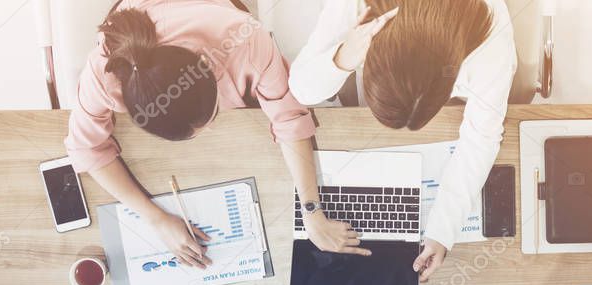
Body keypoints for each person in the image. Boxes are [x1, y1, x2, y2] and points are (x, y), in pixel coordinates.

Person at [65, 0, 371, 269]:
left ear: (212, 78)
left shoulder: (246, 38)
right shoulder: (104, 69)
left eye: (208, 119)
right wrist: (153, 217)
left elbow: (289, 117)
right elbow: (86, 149)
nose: (209, 130)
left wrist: (312, 210)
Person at [288, 0, 517, 282]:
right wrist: (344, 57)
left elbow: (481, 137)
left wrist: (443, 231)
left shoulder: (492, 44)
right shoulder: (357, 5)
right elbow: (302, 90)